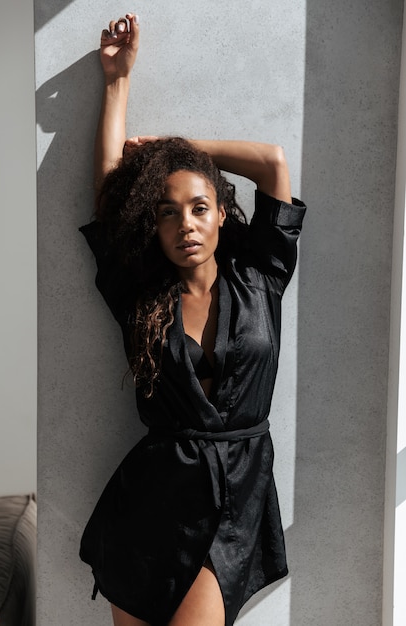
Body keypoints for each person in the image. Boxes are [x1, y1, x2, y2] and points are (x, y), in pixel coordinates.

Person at [79, 13, 306, 626]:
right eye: (167, 212)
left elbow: (272, 163)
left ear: (221, 214)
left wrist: (174, 154)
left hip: (238, 497)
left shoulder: (262, 275)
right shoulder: (141, 293)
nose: (185, 224)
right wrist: (117, 85)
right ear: (153, 228)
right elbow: (106, 203)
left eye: (199, 207)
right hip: (153, 505)